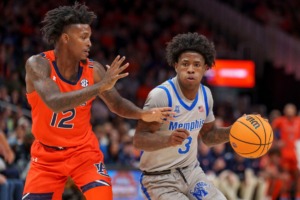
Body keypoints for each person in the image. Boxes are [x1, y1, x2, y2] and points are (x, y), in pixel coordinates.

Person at [22, 3, 174, 200]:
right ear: (66, 39)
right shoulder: (38, 64)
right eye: (83, 37)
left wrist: (141, 113)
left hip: (83, 152)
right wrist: (99, 87)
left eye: (90, 38)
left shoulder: (94, 70)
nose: (89, 43)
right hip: (46, 156)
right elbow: (54, 101)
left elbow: (117, 104)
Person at [133, 32, 233, 199]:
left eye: (196, 64)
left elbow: (208, 136)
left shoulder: (206, 94)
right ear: (176, 65)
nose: (191, 69)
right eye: (185, 64)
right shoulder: (161, 95)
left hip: (191, 172)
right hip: (159, 178)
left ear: (206, 68)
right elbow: (139, 140)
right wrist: (168, 140)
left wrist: (235, 131)